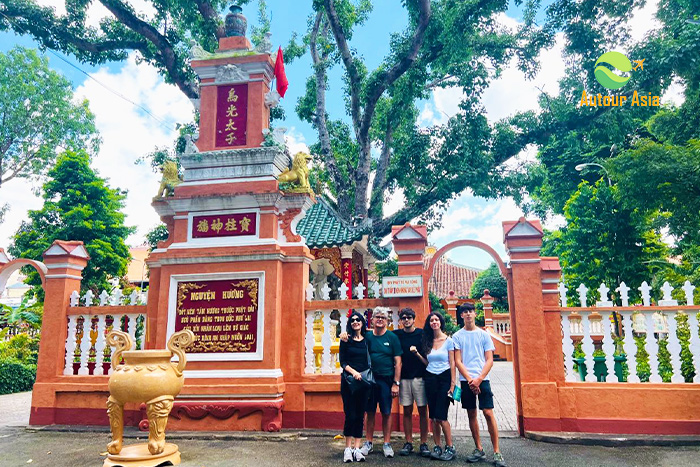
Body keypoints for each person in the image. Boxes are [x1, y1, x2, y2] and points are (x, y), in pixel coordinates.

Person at [453, 303, 506, 467]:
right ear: (461, 316)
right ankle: (478, 448)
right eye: (465, 312)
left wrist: (479, 379)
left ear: (475, 314)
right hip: (466, 380)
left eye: (470, 311)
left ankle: (497, 451)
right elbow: (457, 361)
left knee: (488, 412)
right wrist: (470, 379)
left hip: (483, 379)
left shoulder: (484, 335)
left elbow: (489, 359)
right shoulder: (457, 336)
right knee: (471, 414)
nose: (468, 314)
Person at [413, 312, 457, 461]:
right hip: (430, 378)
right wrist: (418, 355)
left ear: (441, 322)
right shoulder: (428, 341)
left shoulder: (449, 341)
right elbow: (428, 363)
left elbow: (452, 364)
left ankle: (450, 447)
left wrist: (452, 384)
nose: (434, 322)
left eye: (436, 320)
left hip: (444, 379)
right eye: (431, 320)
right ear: (429, 324)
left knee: (441, 416)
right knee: (433, 417)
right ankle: (437, 446)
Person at [360, 307, 402, 458]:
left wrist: (396, 383)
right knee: (370, 412)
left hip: (386, 380)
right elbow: (353, 336)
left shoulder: (392, 338)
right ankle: (368, 442)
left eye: (383, 318)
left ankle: (387, 443)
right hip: (370, 380)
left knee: (386, 412)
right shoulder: (367, 336)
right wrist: (344, 335)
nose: (380, 319)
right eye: (377, 317)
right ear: (372, 320)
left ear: (387, 321)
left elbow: (398, 362)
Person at [393, 308, 430, 457]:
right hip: (404, 378)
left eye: (409, 317)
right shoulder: (396, 335)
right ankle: (408, 442)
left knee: (422, 411)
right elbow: (375, 333)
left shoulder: (422, 334)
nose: (406, 320)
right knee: (407, 411)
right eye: (403, 318)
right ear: (400, 320)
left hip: (419, 378)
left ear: (414, 319)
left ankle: (423, 442)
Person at [339, 311, 372, 462]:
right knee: (350, 414)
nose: (355, 322)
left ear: (362, 322)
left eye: (358, 319)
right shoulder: (346, 340)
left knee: (360, 415)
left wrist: (360, 375)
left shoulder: (367, 340)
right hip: (349, 382)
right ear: (349, 324)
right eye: (352, 320)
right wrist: (354, 373)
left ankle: (357, 448)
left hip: (364, 382)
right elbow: (343, 361)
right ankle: (347, 448)